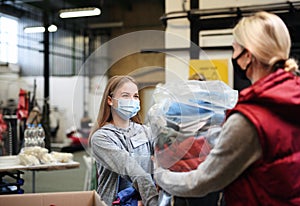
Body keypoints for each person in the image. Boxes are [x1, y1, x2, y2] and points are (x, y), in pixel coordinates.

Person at [154, 11, 300, 205]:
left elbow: (201, 182)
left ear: (248, 56)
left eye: (234, 48)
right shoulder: (291, 98)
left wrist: (159, 175)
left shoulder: (249, 119)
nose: (233, 55)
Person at [89, 75, 158, 206]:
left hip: (143, 199)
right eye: (125, 96)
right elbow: (130, 168)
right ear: (110, 100)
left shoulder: (145, 131)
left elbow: (164, 154)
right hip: (115, 202)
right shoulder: (101, 137)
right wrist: (153, 200)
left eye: (136, 96)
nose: (132, 100)